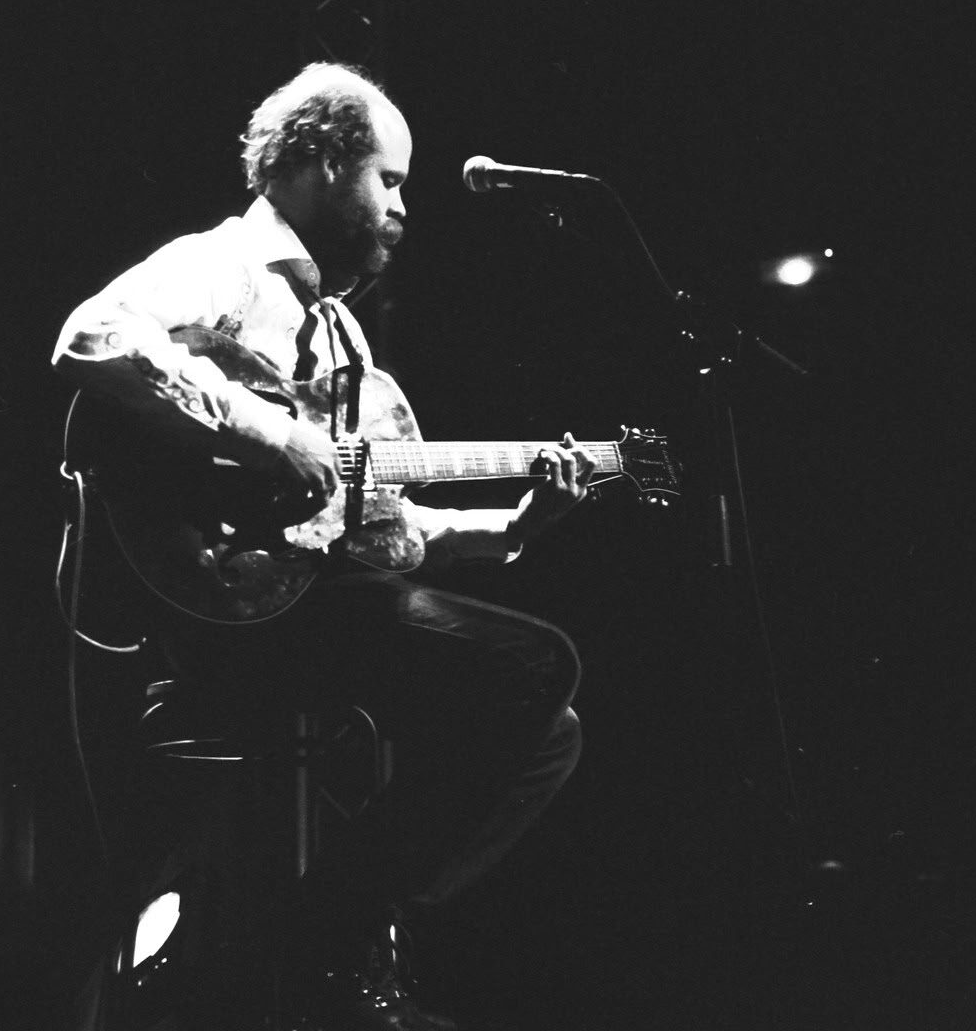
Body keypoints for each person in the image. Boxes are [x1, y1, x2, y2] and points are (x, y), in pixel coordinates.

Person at [52, 61, 592, 1031]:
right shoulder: (227, 266)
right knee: (534, 661)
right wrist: (269, 433)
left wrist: (510, 530)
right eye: (389, 179)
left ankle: (353, 926)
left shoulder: (344, 342)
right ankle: (324, 930)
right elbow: (92, 336)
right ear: (321, 160)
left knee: (548, 729)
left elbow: (383, 539)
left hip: (305, 606)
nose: (401, 207)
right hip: (213, 607)